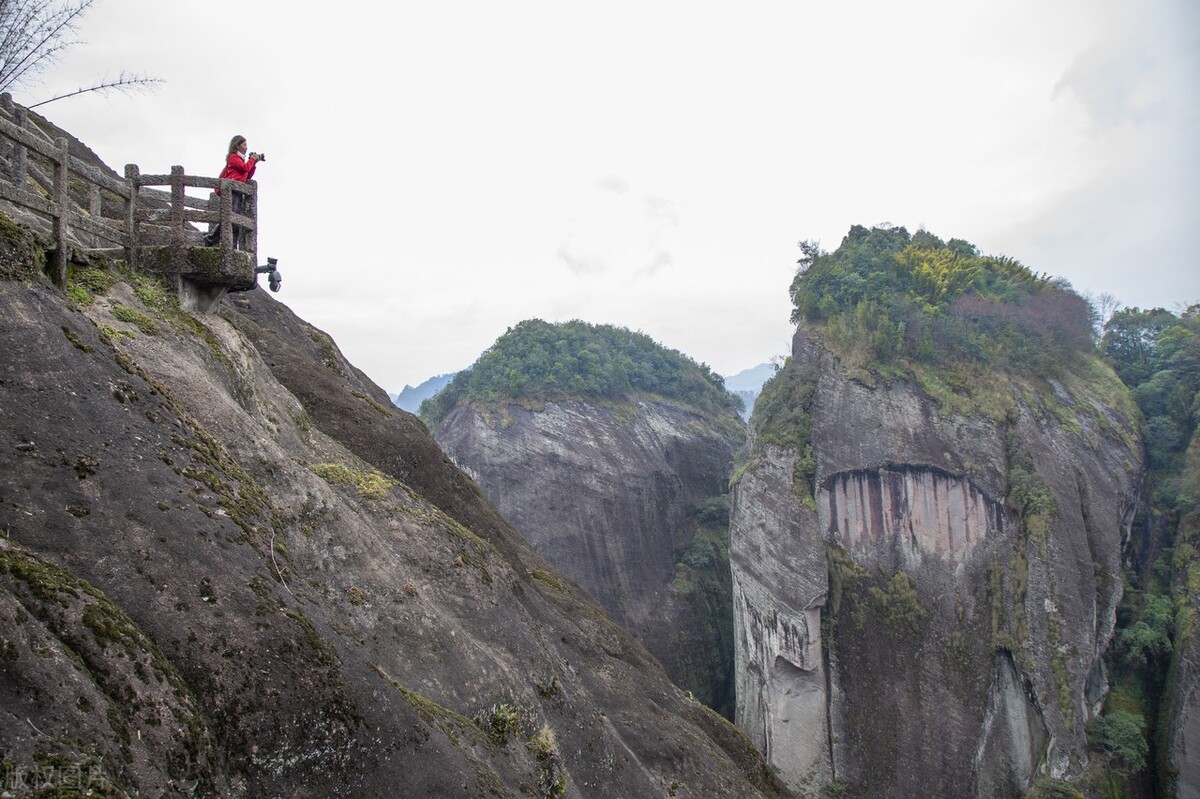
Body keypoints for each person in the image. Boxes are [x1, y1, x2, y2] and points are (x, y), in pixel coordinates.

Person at [202, 135, 263, 247]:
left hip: (237, 191)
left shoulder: (242, 160)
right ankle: (210, 239)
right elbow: (244, 168)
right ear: (237, 145)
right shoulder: (233, 157)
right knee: (231, 217)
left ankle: (232, 245)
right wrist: (252, 160)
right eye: (244, 145)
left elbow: (247, 174)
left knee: (234, 220)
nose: (246, 148)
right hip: (231, 191)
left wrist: (253, 164)